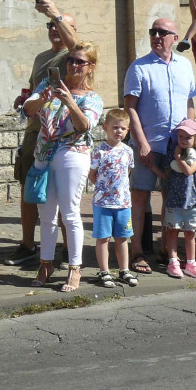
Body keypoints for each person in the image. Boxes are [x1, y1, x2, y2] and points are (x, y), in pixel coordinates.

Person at [22, 43, 103, 292]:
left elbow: (84, 126)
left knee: (69, 212)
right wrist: (42, 100)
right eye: (70, 60)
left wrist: (70, 102)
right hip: (44, 154)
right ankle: (45, 263)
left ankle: (74, 267)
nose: (73, 65)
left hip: (73, 154)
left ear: (90, 67)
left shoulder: (92, 97)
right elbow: (27, 109)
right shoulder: (49, 84)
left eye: (80, 61)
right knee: (46, 214)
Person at [124, 18, 196, 274]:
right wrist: (142, 143)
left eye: (162, 32)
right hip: (149, 145)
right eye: (153, 32)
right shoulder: (139, 67)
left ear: (174, 37)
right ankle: (137, 253)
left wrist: (191, 134)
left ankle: (168, 251)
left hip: (176, 147)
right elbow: (130, 108)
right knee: (140, 198)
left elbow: (190, 103)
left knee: (171, 199)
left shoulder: (185, 66)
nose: (157, 36)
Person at [8, 0, 78, 266]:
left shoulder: (74, 54)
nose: (53, 29)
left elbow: (76, 47)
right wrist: (23, 98)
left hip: (63, 131)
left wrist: (57, 14)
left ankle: (64, 249)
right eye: (50, 25)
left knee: (62, 191)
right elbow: (34, 88)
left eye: (59, 25)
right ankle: (27, 244)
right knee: (29, 185)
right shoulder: (41, 57)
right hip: (36, 129)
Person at [89, 109, 137, 289]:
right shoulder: (99, 151)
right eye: (115, 127)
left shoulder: (128, 151)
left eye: (123, 128)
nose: (119, 131)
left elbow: (127, 172)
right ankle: (104, 271)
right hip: (103, 203)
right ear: (105, 127)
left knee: (122, 237)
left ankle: (124, 270)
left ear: (127, 131)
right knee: (103, 238)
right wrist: (104, 189)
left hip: (123, 203)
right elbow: (92, 174)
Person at [163, 119, 196, 279]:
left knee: (190, 233)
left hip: (192, 201)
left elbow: (188, 171)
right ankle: (173, 262)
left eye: (188, 137)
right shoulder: (170, 155)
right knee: (172, 231)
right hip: (174, 201)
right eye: (180, 136)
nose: (183, 140)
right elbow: (166, 175)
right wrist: (154, 168)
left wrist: (178, 158)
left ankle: (191, 263)